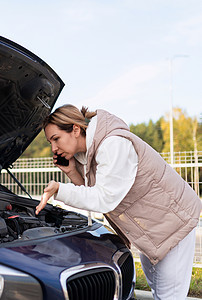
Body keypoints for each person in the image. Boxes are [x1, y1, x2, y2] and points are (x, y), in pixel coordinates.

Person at [35, 104, 201, 300]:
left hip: (174, 225)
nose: (54, 148)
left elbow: (104, 199)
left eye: (56, 139)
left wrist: (60, 190)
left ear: (76, 129)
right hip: (152, 228)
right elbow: (93, 193)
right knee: (158, 291)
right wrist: (71, 172)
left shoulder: (112, 145)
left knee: (169, 297)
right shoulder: (88, 154)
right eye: (50, 142)